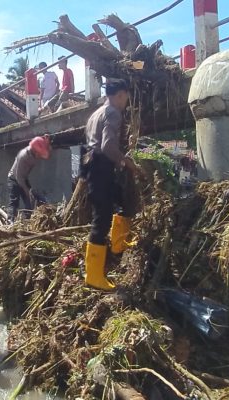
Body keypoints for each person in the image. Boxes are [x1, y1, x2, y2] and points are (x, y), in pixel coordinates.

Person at [81, 80, 140, 291]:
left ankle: (118, 243)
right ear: (121, 94)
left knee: (121, 199)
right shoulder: (113, 112)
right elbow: (107, 146)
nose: (127, 101)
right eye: (127, 96)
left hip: (92, 168)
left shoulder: (95, 114)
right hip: (101, 167)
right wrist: (127, 163)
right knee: (102, 219)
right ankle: (94, 276)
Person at [6, 135, 51, 222]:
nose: (40, 156)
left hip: (23, 178)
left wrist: (47, 143)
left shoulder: (33, 154)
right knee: (14, 201)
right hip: (14, 178)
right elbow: (18, 177)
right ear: (35, 150)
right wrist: (27, 190)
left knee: (30, 200)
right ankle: (9, 221)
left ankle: (28, 219)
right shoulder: (23, 156)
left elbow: (47, 153)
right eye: (39, 153)